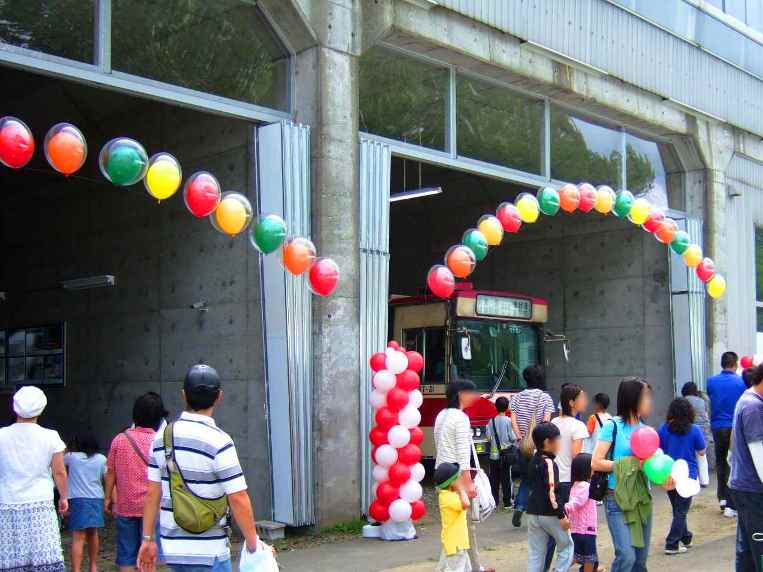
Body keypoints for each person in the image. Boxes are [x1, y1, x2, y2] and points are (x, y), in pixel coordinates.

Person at [137, 364, 260, 572]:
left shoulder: (161, 439)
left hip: (174, 551)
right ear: (219, 397)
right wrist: (253, 544)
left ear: (184, 395)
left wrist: (148, 539)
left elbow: (152, 494)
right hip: (210, 552)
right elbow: (238, 497)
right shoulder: (220, 442)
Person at [592, 377, 662, 572]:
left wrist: (665, 477)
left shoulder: (647, 430)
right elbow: (596, 462)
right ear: (633, 398)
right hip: (616, 498)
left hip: (642, 499)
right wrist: (630, 464)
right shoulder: (612, 426)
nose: (650, 401)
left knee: (640, 560)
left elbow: (653, 466)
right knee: (626, 556)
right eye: (646, 396)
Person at [0, 386, 67, 572]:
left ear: (15, 407)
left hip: (8, 503)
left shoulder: (1, 435)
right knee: (44, 556)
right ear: (41, 408)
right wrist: (64, 497)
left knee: (12, 556)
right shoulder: (51, 436)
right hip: (40, 503)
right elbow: (59, 472)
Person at [434, 379, 494, 572]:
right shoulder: (460, 418)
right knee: (463, 528)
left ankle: (471, 567)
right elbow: (463, 456)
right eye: (472, 393)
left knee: (453, 527)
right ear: (461, 394)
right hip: (457, 479)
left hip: (442, 477)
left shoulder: (442, 415)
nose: (474, 397)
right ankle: (470, 568)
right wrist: (468, 486)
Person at [106, 392, 168, 572]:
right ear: (159, 418)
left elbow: (110, 472)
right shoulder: (159, 442)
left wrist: (108, 497)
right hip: (153, 508)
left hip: (125, 506)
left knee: (126, 555)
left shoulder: (119, 439)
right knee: (149, 556)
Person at [657, 398, 706, 555]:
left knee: (678, 509)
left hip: (668, 474)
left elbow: (658, 451)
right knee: (681, 511)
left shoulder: (663, 429)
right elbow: (702, 451)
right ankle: (672, 543)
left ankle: (686, 537)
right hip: (688, 475)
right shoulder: (694, 429)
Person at [510, 365, 556, 527]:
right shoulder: (545, 397)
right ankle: (540, 513)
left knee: (526, 479)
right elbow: (546, 422)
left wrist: (520, 437)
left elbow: (513, 420)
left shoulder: (516, 397)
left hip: (522, 446)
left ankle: (520, 506)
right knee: (542, 480)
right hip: (538, 446)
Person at [728, 363, 763, 571]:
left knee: (747, 550)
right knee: (759, 548)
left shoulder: (747, 399)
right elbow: (759, 454)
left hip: (743, 486)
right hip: (753, 489)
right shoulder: (754, 407)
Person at [526, 422, 573, 572]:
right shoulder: (549, 463)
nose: (560, 442)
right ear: (547, 442)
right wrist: (561, 515)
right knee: (566, 547)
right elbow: (552, 490)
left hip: (533, 511)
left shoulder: (534, 460)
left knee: (536, 553)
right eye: (558, 439)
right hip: (550, 513)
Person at [706, 351, 746, 517]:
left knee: (721, 461)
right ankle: (731, 502)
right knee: (734, 463)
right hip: (734, 427)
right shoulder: (741, 382)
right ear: (735, 364)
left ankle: (722, 497)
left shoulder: (711, 381)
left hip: (717, 426)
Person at [66, 432, 108, 572]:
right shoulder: (101, 459)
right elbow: (107, 479)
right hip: (96, 499)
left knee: (78, 537)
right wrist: (110, 498)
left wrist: (69, 446)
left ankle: (76, 569)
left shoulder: (71, 457)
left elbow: (59, 456)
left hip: (78, 499)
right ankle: (93, 566)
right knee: (93, 533)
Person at [434, 462, 471, 572]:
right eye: (458, 478)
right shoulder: (448, 498)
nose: (460, 479)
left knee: (464, 567)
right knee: (456, 568)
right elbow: (466, 504)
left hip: (457, 542)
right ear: (451, 483)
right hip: (456, 544)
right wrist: (461, 489)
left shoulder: (447, 495)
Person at [565, 454, 599, 572]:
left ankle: (560, 568)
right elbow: (577, 502)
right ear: (586, 470)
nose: (594, 471)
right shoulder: (586, 486)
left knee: (576, 555)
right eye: (592, 468)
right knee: (590, 558)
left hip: (576, 529)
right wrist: (566, 508)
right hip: (586, 529)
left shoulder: (575, 485)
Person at [486, 396, 515, 510]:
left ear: (495, 407)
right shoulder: (508, 421)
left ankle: (494, 501)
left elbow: (488, 438)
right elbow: (512, 437)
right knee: (506, 479)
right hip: (505, 455)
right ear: (507, 407)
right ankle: (508, 503)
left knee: (494, 479)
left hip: (493, 455)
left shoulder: (491, 421)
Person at [681, 382, 714, 471]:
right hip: (705, 429)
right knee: (702, 456)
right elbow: (708, 413)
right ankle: (704, 475)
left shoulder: (684, 401)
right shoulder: (702, 401)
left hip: (690, 430)